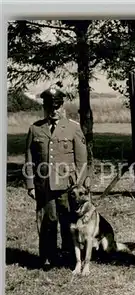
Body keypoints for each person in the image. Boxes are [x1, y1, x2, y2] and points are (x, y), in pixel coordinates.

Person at [25, 84, 88, 270]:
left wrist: (79, 184)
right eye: (50, 106)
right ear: (44, 107)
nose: (54, 110)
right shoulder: (35, 129)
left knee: (69, 220)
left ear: (63, 106)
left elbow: (82, 160)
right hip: (44, 185)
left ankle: (70, 255)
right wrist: (30, 184)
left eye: (57, 106)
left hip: (68, 187)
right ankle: (48, 256)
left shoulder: (73, 128)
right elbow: (29, 158)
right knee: (47, 220)